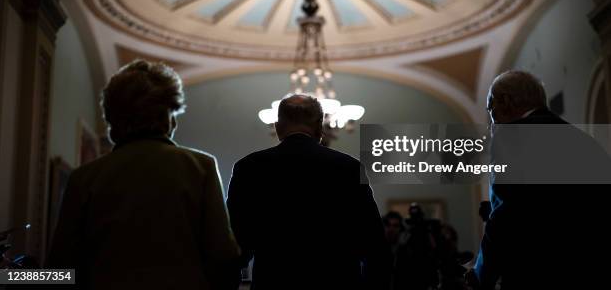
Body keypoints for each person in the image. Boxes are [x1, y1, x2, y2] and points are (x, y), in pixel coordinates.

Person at [46, 60, 240, 289]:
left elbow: (60, 269)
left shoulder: (84, 178)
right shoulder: (200, 167)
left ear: (112, 119)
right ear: (168, 116)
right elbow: (223, 259)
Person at [227, 94, 391, 290]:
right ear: (320, 127)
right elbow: (373, 243)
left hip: (274, 281)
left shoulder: (249, 167)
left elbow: (236, 240)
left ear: (278, 127)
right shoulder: (348, 167)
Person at [470, 70, 611, 289]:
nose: (491, 122)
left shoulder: (508, 137)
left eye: (491, 109)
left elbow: (506, 217)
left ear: (506, 102)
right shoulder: (583, 140)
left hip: (536, 273)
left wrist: (481, 275)